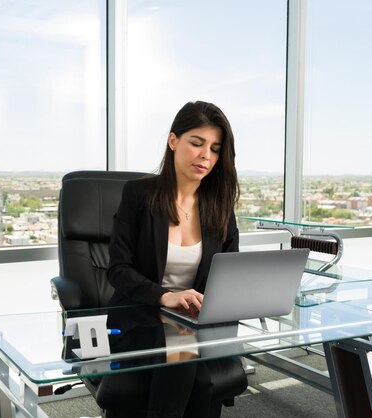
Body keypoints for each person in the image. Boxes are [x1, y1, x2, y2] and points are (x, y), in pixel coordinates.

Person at [106, 100, 246, 417]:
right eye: (196, 143)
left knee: (196, 372)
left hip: (197, 324)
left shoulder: (220, 206)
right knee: (190, 369)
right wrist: (166, 296)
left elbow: (229, 276)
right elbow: (118, 270)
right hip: (141, 318)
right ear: (173, 141)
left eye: (214, 148)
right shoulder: (138, 195)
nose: (205, 156)